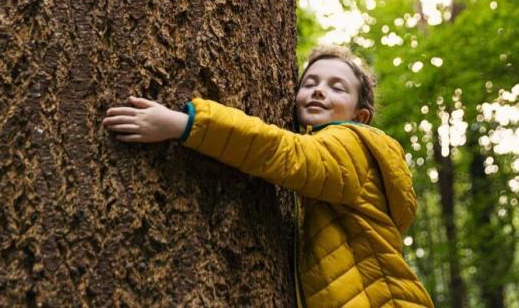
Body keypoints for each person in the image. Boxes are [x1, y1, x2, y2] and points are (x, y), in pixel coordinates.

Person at [102, 45, 434, 307]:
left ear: (359, 115)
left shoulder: (353, 143)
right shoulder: (347, 158)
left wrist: (186, 124)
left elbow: (284, 153)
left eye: (337, 88)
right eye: (310, 83)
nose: (319, 91)